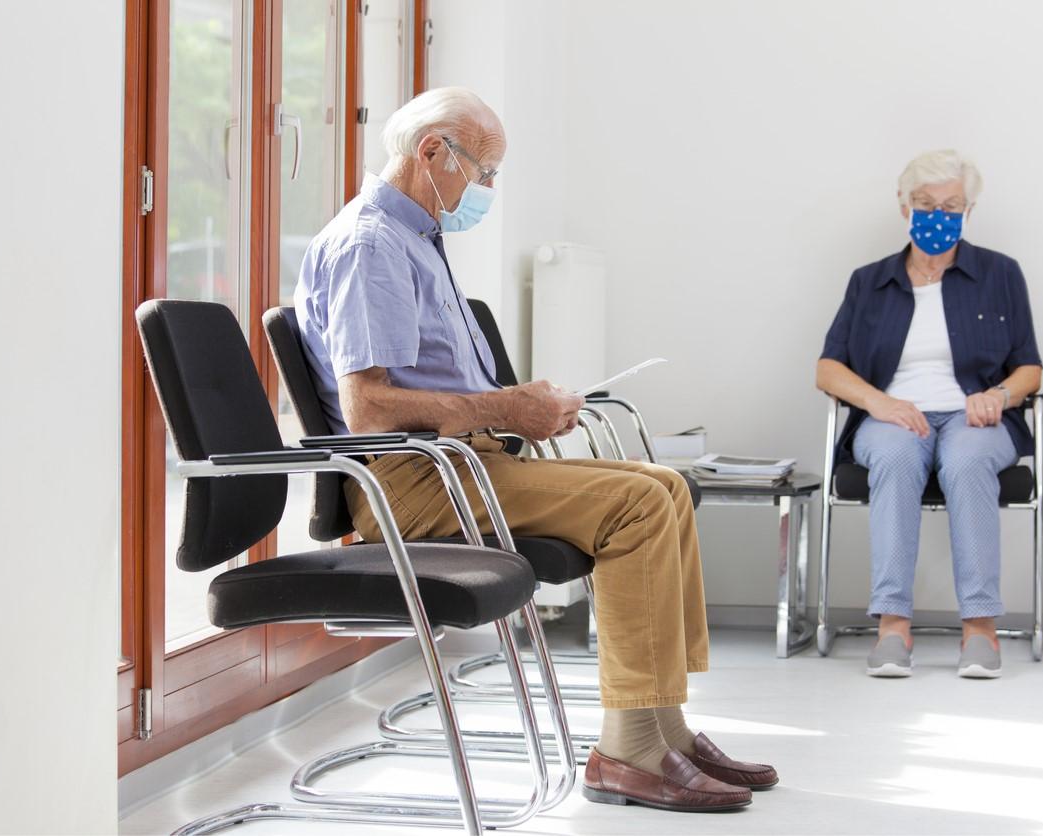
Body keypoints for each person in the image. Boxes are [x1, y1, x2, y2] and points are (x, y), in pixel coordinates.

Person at [295, 87, 776, 811]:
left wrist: (521, 411)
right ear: (432, 153)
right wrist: (506, 406)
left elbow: (437, 388)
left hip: (465, 465)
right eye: (484, 172)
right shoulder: (372, 245)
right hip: (415, 483)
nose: (488, 189)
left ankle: (665, 729)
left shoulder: (416, 239)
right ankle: (628, 753)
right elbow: (368, 408)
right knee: (640, 503)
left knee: (665, 487)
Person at [816, 149, 1042, 679]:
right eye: (925, 204)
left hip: (977, 418)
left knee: (965, 461)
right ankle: (893, 627)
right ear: (903, 206)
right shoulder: (869, 282)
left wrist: (1000, 396)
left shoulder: (1000, 274)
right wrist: (881, 403)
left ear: (969, 210)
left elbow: (1030, 368)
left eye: (951, 205)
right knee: (893, 458)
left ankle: (980, 630)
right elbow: (828, 368)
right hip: (894, 416)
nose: (938, 216)